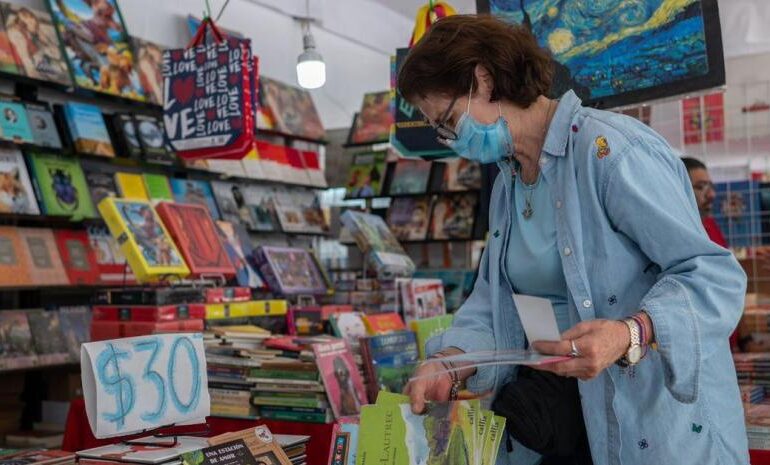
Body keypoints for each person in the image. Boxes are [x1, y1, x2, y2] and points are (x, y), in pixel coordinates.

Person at [400, 15, 748, 465]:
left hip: (649, 426)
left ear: (482, 80)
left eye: (449, 120)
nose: (452, 141)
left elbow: (713, 276)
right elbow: (493, 301)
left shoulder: (611, 152)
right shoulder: (509, 180)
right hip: (566, 422)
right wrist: (448, 361)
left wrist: (629, 333)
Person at [682, 157, 728, 247]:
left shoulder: (709, 223)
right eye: (700, 187)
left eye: (711, 186)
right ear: (681, 190)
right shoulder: (679, 231)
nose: (711, 194)